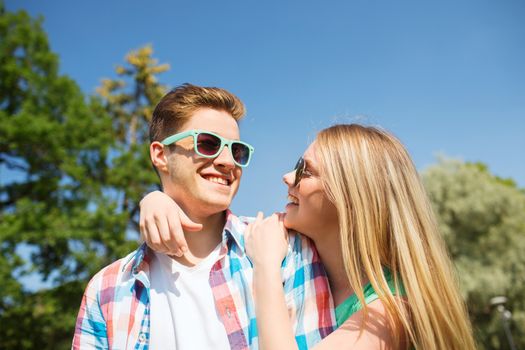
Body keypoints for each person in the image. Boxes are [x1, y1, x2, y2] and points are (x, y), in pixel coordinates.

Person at [140, 124, 477, 349]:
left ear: (352, 196)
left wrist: (267, 269)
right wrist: (158, 199)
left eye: (306, 171)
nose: (287, 178)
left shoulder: (391, 312)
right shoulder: (304, 261)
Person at [72, 84, 335, 350]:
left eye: (237, 151)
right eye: (208, 144)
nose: (227, 161)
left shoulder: (288, 253)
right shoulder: (106, 289)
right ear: (161, 155)